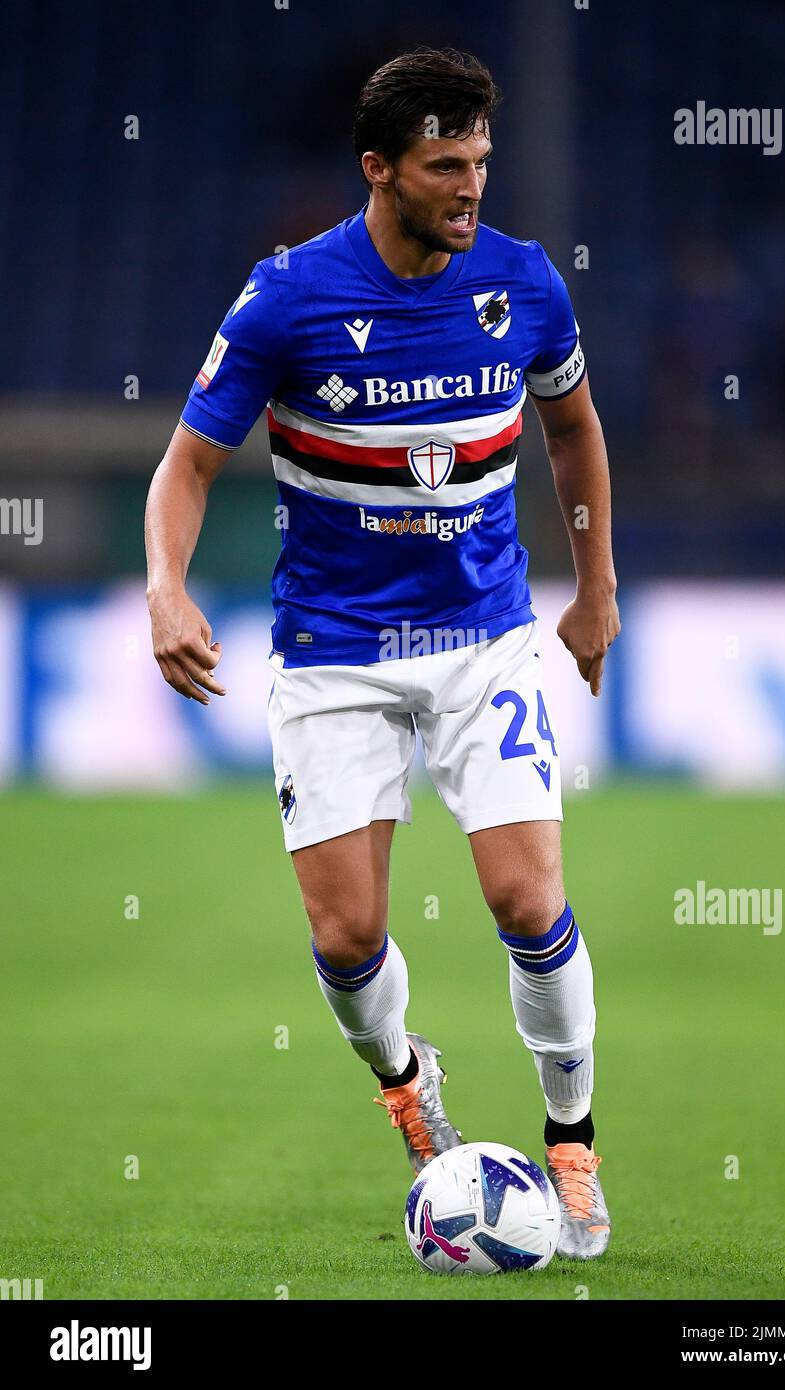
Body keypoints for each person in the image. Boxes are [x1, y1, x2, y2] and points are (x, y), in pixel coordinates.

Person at [145, 46, 620, 1261]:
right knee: (347, 934)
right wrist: (165, 584)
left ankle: (570, 1143)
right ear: (378, 170)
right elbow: (188, 464)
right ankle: (408, 1083)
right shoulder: (285, 298)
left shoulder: (521, 285)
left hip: (481, 642)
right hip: (332, 650)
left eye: (479, 163)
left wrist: (595, 586)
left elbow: (571, 427)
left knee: (527, 895)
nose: (469, 189)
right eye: (443, 166)